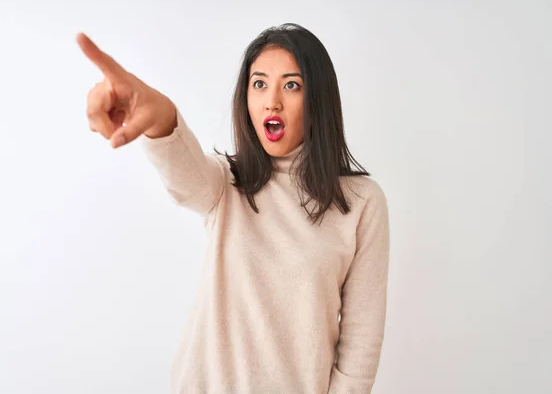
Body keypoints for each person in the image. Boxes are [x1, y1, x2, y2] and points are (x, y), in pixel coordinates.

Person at [77, 22, 390, 394]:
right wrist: (160, 117)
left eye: (292, 85)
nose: (271, 101)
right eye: (259, 84)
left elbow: (361, 345)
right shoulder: (226, 183)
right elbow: (184, 171)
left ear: (318, 98)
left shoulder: (361, 202)